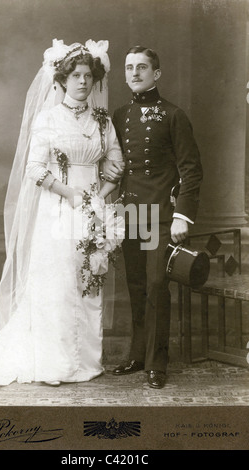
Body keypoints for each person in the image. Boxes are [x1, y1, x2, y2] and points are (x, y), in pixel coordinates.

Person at [0, 39, 124, 396]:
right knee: (58, 283)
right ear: (62, 80)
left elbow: (116, 165)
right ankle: (54, 362)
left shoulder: (102, 121)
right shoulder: (47, 119)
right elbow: (35, 169)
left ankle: (87, 363)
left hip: (93, 209)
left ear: (95, 81)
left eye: (88, 76)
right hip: (57, 209)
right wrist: (71, 195)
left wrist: (98, 199)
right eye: (76, 75)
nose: (83, 82)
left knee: (89, 277)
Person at [103, 46, 203, 389]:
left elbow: (191, 171)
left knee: (157, 287)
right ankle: (138, 355)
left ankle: (157, 363)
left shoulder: (174, 115)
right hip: (131, 212)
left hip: (161, 215)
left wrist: (182, 217)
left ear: (156, 74)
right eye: (129, 67)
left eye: (142, 67)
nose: (134, 73)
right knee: (136, 285)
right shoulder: (119, 115)